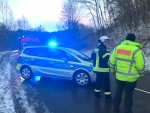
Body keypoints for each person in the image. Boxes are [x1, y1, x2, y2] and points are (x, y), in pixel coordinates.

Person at [109, 33, 145, 113]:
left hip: (119, 76)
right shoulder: (136, 50)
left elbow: (112, 61)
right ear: (134, 40)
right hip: (131, 79)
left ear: (126, 39)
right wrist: (141, 73)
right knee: (128, 95)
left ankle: (115, 108)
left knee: (118, 92)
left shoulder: (117, 48)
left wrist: (112, 70)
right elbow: (140, 65)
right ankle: (128, 110)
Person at [91, 36, 113, 102]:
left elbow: (92, 56)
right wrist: (108, 53)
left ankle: (97, 95)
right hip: (103, 69)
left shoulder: (96, 49)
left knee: (98, 82)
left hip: (97, 69)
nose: (107, 43)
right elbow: (105, 58)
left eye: (107, 42)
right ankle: (108, 97)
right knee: (106, 83)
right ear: (102, 41)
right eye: (106, 42)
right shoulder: (103, 49)